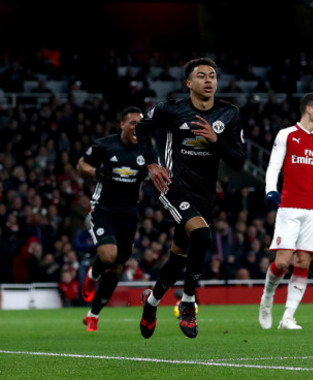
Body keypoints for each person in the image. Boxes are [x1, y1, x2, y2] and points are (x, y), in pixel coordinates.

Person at [135, 57, 246, 339]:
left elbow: (239, 162)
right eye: (201, 76)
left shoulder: (229, 113)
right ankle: (188, 302)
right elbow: (141, 126)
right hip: (173, 186)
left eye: (212, 76)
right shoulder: (172, 109)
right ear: (189, 83)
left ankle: (151, 303)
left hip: (206, 194)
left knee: (178, 257)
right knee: (204, 236)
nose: (208, 80)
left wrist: (216, 140)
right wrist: (151, 163)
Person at [258, 92, 313, 330]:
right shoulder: (286, 135)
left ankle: (288, 317)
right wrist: (271, 190)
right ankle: (267, 296)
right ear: (308, 109)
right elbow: (274, 165)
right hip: (290, 206)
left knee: (303, 261)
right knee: (283, 262)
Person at [77, 106, 146, 331]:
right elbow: (81, 165)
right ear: (123, 125)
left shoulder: (146, 149)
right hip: (103, 210)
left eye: (141, 124)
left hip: (129, 214)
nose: (138, 127)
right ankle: (93, 273)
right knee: (108, 256)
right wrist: (97, 173)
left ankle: (93, 315)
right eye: (133, 123)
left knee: (117, 268)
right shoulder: (105, 145)